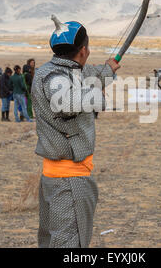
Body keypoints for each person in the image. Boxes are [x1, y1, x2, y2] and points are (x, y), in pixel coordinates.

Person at [32, 19, 120, 248]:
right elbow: (65, 101)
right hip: (69, 179)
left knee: (54, 239)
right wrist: (98, 98)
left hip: (57, 177)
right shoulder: (56, 78)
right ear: (83, 51)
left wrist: (110, 68)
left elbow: (94, 74)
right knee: (69, 243)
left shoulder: (56, 70)